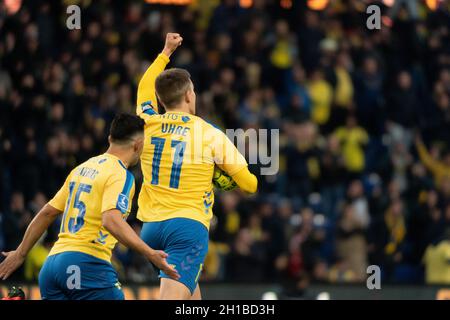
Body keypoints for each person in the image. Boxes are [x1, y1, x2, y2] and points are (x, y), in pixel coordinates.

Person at [0, 114, 179, 300]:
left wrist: (20, 254)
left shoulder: (81, 168)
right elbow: (111, 220)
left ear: (110, 139)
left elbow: (47, 212)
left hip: (52, 265)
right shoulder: (121, 175)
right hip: (86, 263)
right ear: (139, 144)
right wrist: (150, 253)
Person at [135, 33, 258, 299]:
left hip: (151, 229)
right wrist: (221, 177)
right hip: (187, 228)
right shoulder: (209, 133)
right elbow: (250, 184)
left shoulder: (148, 122)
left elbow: (144, 86)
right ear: (190, 96)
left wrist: (165, 53)